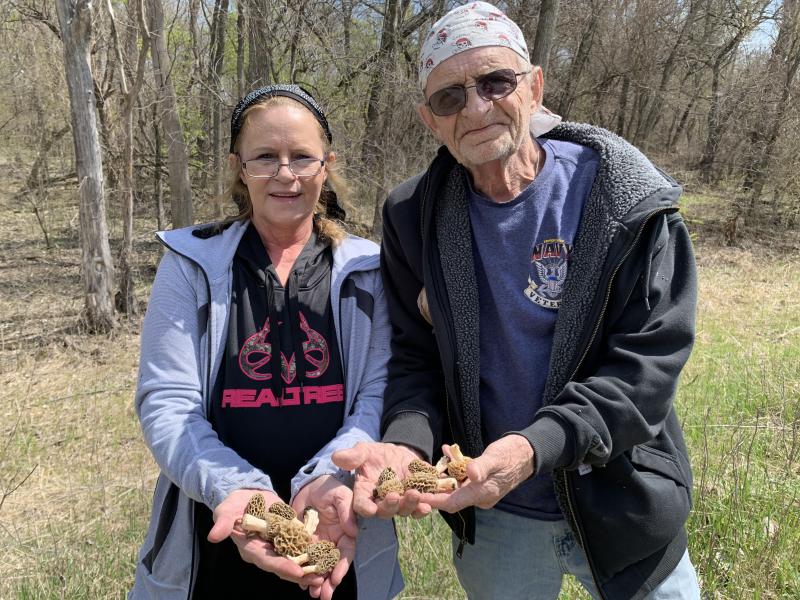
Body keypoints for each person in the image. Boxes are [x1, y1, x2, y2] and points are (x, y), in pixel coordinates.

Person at [333, 3, 701, 599]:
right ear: (431, 121)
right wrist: (405, 443)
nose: (476, 108)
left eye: (495, 82)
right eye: (450, 98)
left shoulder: (626, 202)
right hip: (497, 515)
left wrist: (533, 449)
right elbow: (414, 359)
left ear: (534, 86)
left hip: (622, 495)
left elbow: (647, 369)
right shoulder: (412, 217)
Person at [129, 84, 403, 600]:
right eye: (264, 157)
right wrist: (238, 489)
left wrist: (326, 478)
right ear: (239, 166)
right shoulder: (190, 265)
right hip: (215, 521)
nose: (285, 173)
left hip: (336, 522)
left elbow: (377, 395)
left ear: (326, 164)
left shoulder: (368, 269)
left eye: (301, 156)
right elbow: (167, 403)